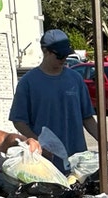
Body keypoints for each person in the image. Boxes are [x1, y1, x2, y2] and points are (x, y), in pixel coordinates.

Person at [11, 29, 99, 171]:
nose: (64, 59)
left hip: (78, 162)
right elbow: (19, 121)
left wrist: (105, 144)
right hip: (45, 164)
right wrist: (37, 143)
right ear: (45, 51)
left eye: (66, 54)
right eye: (59, 55)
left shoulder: (75, 79)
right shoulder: (28, 82)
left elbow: (87, 118)